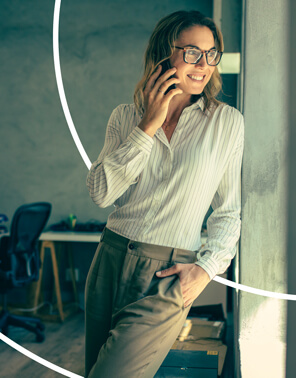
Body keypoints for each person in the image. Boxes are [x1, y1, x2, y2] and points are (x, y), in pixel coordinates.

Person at [85, 10, 244, 378]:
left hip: (167, 276)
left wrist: (205, 270)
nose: (203, 64)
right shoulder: (126, 117)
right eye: (191, 52)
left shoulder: (227, 123)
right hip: (109, 258)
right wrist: (147, 127)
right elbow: (101, 193)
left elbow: (228, 212)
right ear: (164, 54)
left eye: (210, 53)